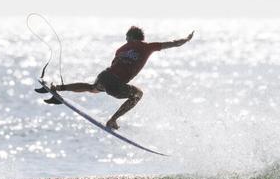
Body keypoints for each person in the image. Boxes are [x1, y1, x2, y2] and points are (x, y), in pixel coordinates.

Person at [40, 26, 194, 130]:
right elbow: (173, 43)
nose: (126, 40)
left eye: (127, 37)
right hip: (115, 82)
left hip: (105, 75)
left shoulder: (121, 49)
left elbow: (117, 65)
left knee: (92, 88)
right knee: (138, 95)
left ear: (132, 37)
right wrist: (186, 40)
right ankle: (113, 119)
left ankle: (58, 88)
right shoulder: (148, 47)